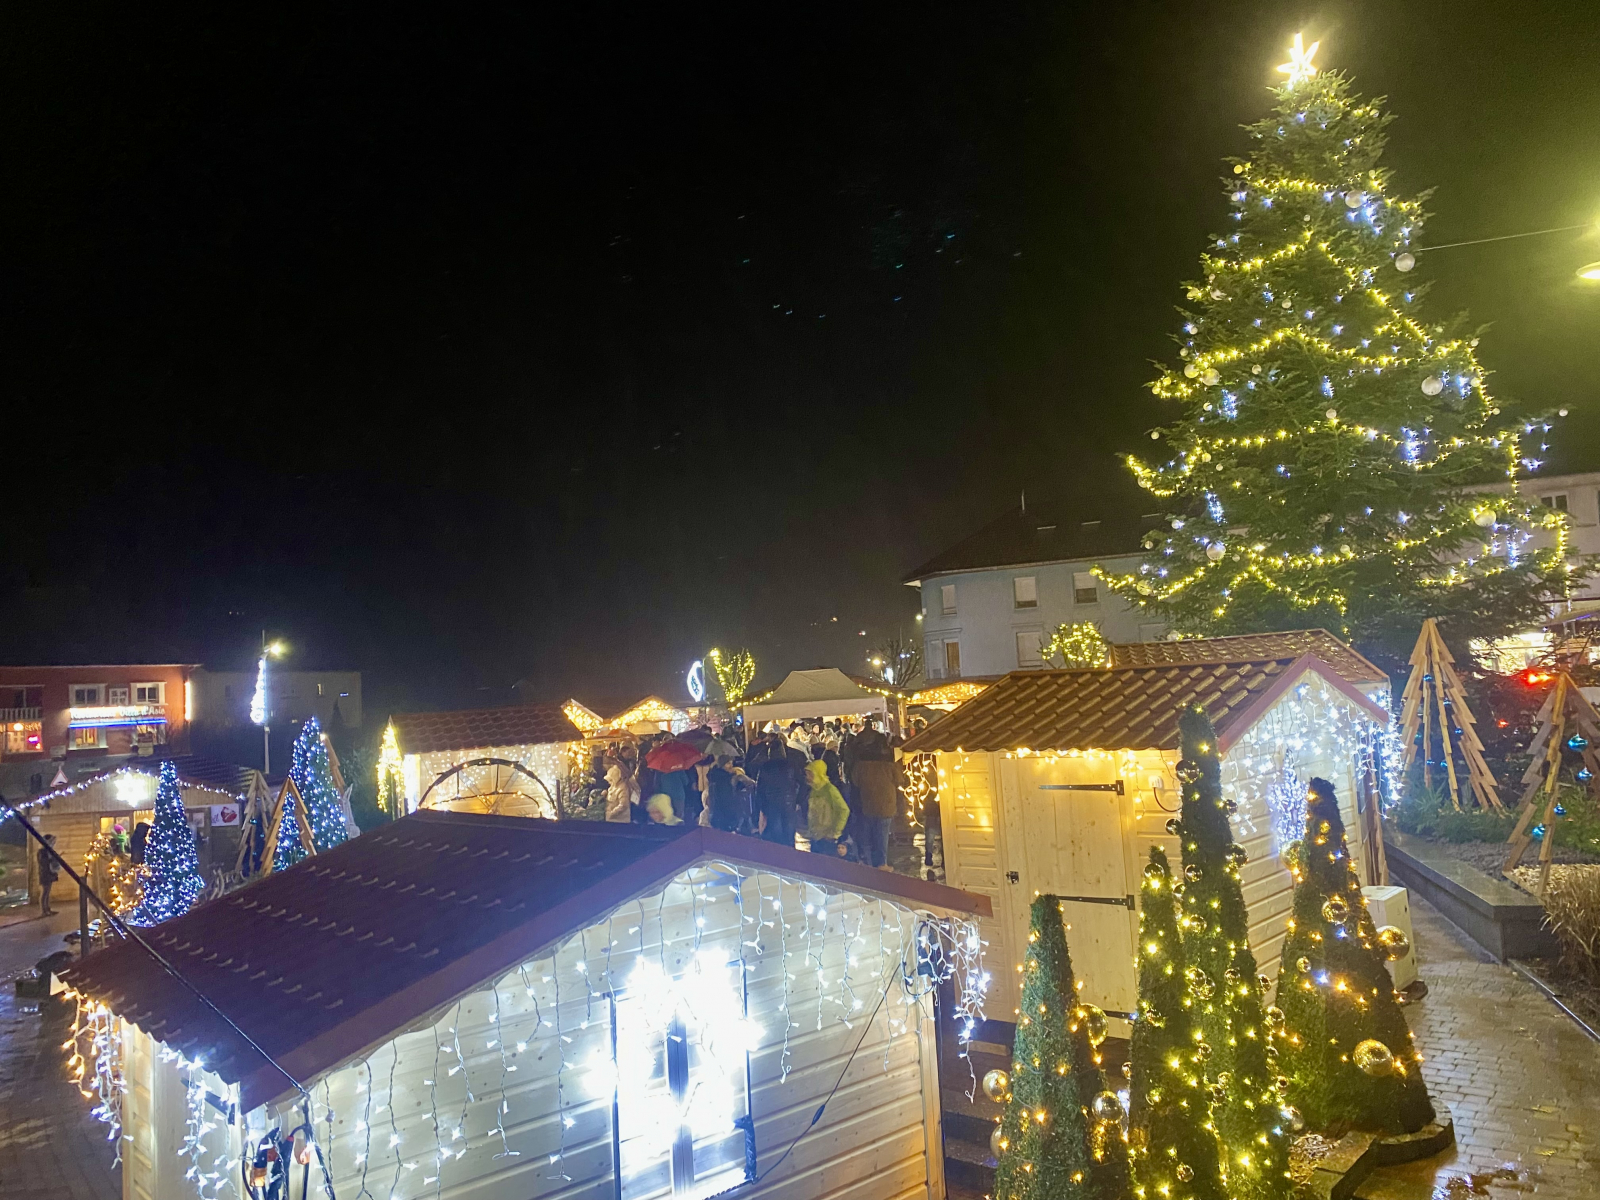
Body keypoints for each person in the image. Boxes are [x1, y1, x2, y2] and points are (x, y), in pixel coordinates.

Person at [850, 716, 897, 869]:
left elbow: (855, 781)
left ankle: (868, 863)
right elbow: (900, 780)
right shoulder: (889, 764)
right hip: (887, 804)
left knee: (868, 834)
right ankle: (881, 864)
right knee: (882, 836)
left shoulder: (861, 765)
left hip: (868, 804)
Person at [754, 734, 801, 846]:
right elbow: (800, 782)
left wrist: (761, 807)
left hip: (771, 804)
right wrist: (797, 800)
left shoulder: (765, 767)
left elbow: (760, 788)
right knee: (788, 833)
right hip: (788, 803)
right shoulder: (790, 765)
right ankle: (789, 856)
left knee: (775, 834)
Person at [803, 759, 849, 857]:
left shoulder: (830, 790)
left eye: (810, 774)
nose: (808, 777)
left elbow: (844, 810)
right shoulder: (813, 790)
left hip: (826, 839)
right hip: (816, 836)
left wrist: (835, 833)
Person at [37, 834, 60, 917]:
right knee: (45, 892)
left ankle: (47, 909)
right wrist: (51, 859)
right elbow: (42, 862)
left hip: (50, 872)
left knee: (47, 891)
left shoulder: (48, 850)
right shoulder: (42, 851)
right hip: (45, 873)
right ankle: (44, 910)